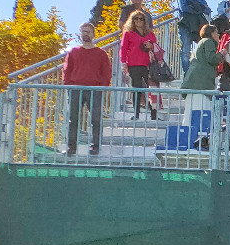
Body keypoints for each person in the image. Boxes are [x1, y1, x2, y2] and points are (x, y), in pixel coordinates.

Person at [63, 22, 111, 156]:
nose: (85, 34)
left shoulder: (101, 53)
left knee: (95, 119)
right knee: (73, 118)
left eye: (88, 31)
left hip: (94, 89)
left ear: (93, 34)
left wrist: (101, 86)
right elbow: (67, 70)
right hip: (75, 88)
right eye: (83, 31)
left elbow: (106, 72)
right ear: (80, 34)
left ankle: (95, 146)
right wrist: (68, 84)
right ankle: (71, 147)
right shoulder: (73, 52)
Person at [120, 11, 158, 120]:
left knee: (151, 89)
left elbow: (155, 46)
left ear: (144, 20)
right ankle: (136, 114)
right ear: (132, 20)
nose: (138, 21)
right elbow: (123, 49)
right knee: (137, 89)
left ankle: (154, 113)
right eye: (135, 18)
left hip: (148, 65)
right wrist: (123, 62)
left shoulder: (149, 33)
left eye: (141, 18)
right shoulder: (128, 33)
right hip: (133, 64)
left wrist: (150, 46)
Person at [182, 25, 222, 110]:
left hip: (193, 82)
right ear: (211, 33)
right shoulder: (208, 42)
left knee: (191, 111)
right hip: (201, 83)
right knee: (200, 111)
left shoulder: (201, 43)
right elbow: (212, 58)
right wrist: (221, 54)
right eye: (216, 32)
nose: (219, 35)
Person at [177, 0, 210, 75]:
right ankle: (187, 74)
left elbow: (207, 10)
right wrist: (199, 8)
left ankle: (201, 72)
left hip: (198, 26)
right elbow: (184, 8)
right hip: (186, 25)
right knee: (185, 50)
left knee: (204, 48)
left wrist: (193, 5)